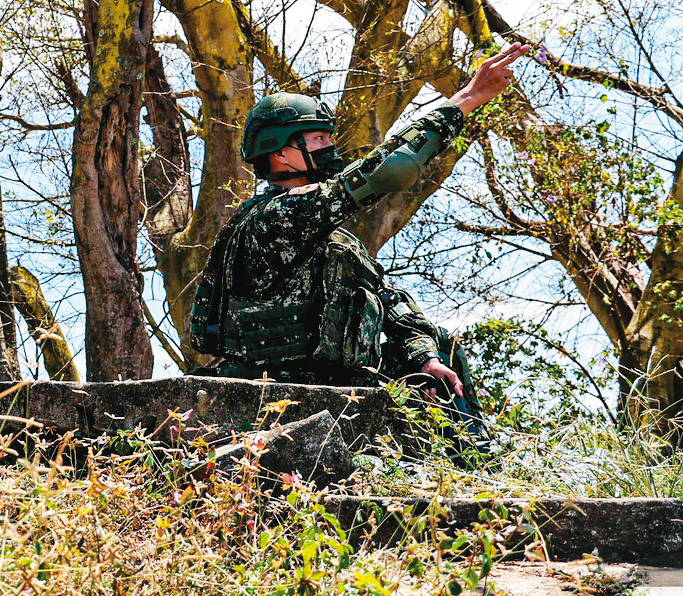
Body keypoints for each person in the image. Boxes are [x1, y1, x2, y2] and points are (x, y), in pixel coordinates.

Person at [189, 44, 532, 401]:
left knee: (442, 347)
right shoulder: (274, 218)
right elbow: (388, 169)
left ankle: (476, 456)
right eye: (319, 138)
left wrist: (425, 357)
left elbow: (385, 296)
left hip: (334, 380)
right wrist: (467, 97)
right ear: (280, 153)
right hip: (273, 385)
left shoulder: (331, 238)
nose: (330, 146)